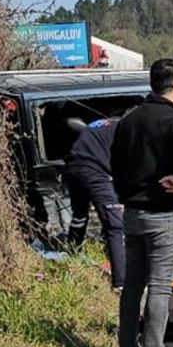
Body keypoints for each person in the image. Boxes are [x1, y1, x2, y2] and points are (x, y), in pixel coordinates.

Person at [110, 58, 173, 347]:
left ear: (151, 85)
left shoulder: (129, 120)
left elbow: (115, 163)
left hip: (132, 214)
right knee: (160, 288)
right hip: (163, 215)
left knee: (133, 286)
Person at [65, 114, 126, 291]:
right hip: (95, 173)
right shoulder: (126, 129)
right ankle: (121, 284)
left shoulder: (100, 124)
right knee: (115, 227)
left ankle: (71, 256)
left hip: (73, 169)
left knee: (79, 216)